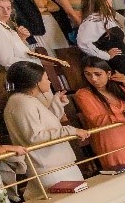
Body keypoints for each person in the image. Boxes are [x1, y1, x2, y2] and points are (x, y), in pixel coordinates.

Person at [5, 60, 89, 189]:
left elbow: (45, 125)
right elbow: (35, 137)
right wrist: (70, 131)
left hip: (57, 164)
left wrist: (57, 104)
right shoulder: (22, 103)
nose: (49, 81)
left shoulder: (27, 100)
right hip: (50, 168)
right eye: (46, 78)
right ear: (36, 82)